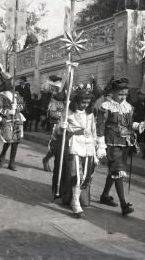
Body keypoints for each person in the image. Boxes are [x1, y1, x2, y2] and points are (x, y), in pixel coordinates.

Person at [97, 77, 145, 216]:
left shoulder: (128, 107)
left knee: (115, 171)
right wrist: (100, 145)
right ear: (113, 93)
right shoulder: (105, 107)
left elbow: (129, 124)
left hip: (126, 143)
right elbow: (100, 127)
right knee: (118, 171)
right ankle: (123, 204)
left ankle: (104, 196)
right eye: (120, 94)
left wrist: (141, 125)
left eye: (125, 94)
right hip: (112, 143)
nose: (123, 97)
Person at [57, 86, 98, 218]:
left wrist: (97, 148)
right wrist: (62, 127)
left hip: (89, 147)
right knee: (77, 175)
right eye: (83, 102)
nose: (85, 105)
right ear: (77, 101)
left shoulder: (90, 114)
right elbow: (59, 130)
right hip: (74, 145)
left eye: (87, 102)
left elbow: (93, 131)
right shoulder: (68, 112)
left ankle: (76, 199)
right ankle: (75, 203)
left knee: (86, 176)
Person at [0, 73, 26, 171]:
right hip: (7, 118)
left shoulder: (16, 93)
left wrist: (17, 107)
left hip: (17, 118)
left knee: (16, 141)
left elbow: (22, 105)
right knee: (8, 140)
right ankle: (2, 157)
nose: (13, 82)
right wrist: (8, 110)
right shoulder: (0, 95)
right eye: (11, 81)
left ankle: (12, 162)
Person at [132, 90, 145, 160]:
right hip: (137, 124)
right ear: (138, 95)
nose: (143, 96)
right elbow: (132, 113)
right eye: (141, 94)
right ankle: (133, 152)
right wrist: (137, 116)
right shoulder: (134, 104)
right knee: (136, 138)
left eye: (144, 95)